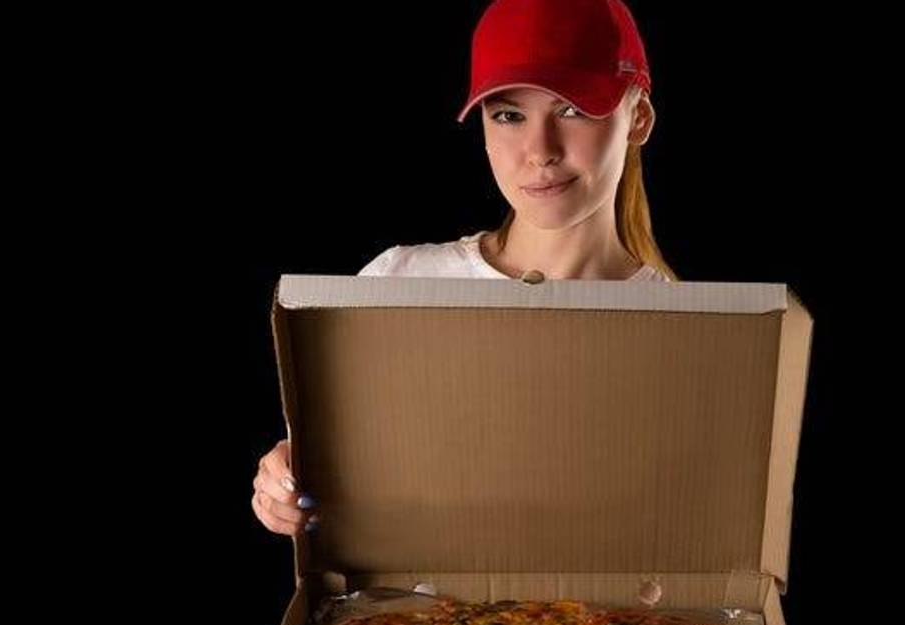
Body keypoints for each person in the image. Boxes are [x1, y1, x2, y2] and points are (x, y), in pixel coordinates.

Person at [252, 0, 678, 536]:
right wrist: (285, 485)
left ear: (637, 118)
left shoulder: (685, 331)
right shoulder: (397, 287)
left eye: (572, 110)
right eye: (509, 115)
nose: (539, 151)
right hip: (414, 619)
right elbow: (323, 484)